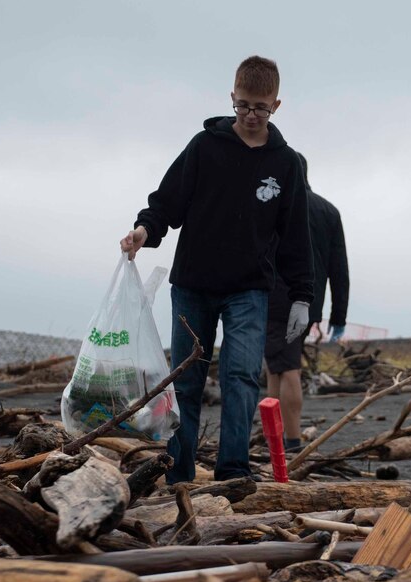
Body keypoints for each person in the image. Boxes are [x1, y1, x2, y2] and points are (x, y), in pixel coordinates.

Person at [120, 56, 313, 483]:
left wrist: (302, 296)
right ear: (232, 98)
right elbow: (166, 203)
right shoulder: (203, 147)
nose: (250, 115)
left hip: (250, 289)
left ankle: (232, 472)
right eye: (243, 105)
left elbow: (297, 236)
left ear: (276, 106)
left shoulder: (285, 165)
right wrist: (143, 232)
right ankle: (179, 476)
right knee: (185, 383)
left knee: (241, 376)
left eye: (260, 108)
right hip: (193, 285)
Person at [265, 152, 350, 452]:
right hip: (310, 302)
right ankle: (274, 439)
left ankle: (291, 441)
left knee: (286, 368)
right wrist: (337, 317)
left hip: (277, 299)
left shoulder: (279, 207)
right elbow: (340, 270)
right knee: (277, 366)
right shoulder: (329, 211)